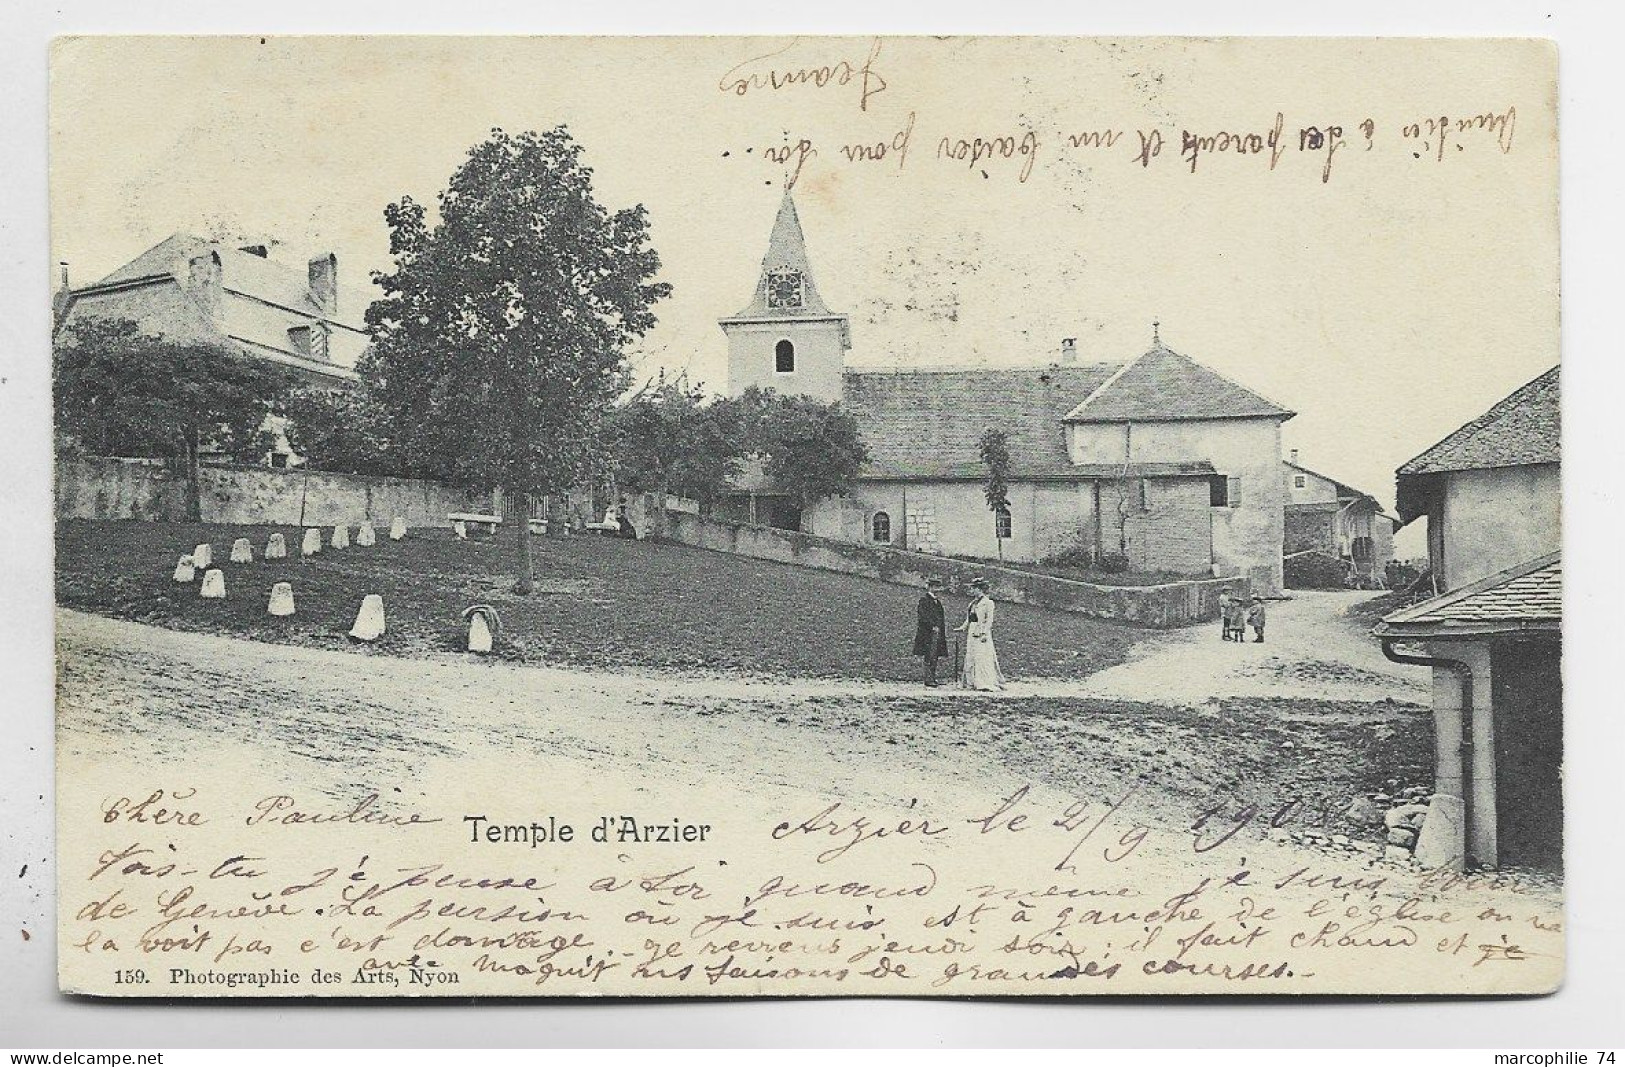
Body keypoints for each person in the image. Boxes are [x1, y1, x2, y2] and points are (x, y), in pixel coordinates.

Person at [957, 576, 1005, 691]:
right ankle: (970, 682)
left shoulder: (988, 603)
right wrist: (962, 627)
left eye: (974, 588)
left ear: (980, 589)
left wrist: (984, 633)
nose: (972, 591)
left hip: (982, 631)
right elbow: (969, 618)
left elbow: (989, 620)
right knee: (971, 655)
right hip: (972, 631)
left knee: (981, 656)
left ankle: (984, 681)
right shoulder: (972, 603)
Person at [913, 578, 950, 687]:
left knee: (935, 655)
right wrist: (932, 626)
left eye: (938, 587)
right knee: (929, 655)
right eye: (935, 587)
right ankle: (928, 678)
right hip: (928, 634)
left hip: (937, 633)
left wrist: (939, 628)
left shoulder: (937, 602)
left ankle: (932, 677)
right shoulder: (924, 600)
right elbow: (923, 616)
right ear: (930, 587)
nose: (937, 589)